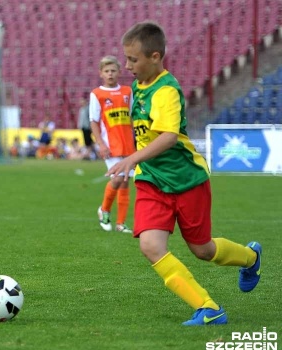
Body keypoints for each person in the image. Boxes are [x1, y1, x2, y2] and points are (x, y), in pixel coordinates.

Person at [107, 21, 262, 325]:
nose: (127, 66)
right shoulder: (138, 88)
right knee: (150, 246)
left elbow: (167, 137)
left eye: (133, 60)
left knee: (202, 250)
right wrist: (130, 166)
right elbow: (143, 135)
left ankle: (251, 258)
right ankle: (208, 308)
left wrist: (130, 159)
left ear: (155, 57)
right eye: (125, 59)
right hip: (152, 180)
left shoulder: (166, 90)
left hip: (187, 179)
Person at [90, 55, 136, 234]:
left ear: (119, 72)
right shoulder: (97, 94)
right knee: (117, 179)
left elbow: (131, 117)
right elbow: (93, 121)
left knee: (125, 181)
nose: (110, 74)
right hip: (111, 145)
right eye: (106, 71)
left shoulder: (127, 92)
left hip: (127, 144)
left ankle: (120, 223)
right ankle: (104, 209)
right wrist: (101, 144)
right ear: (101, 73)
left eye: (113, 70)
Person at [77, 95, 94, 159]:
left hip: (87, 127)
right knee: (88, 141)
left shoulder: (88, 108)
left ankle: (88, 154)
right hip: (83, 127)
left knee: (88, 142)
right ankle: (89, 153)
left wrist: (91, 126)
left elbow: (90, 118)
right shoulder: (81, 109)